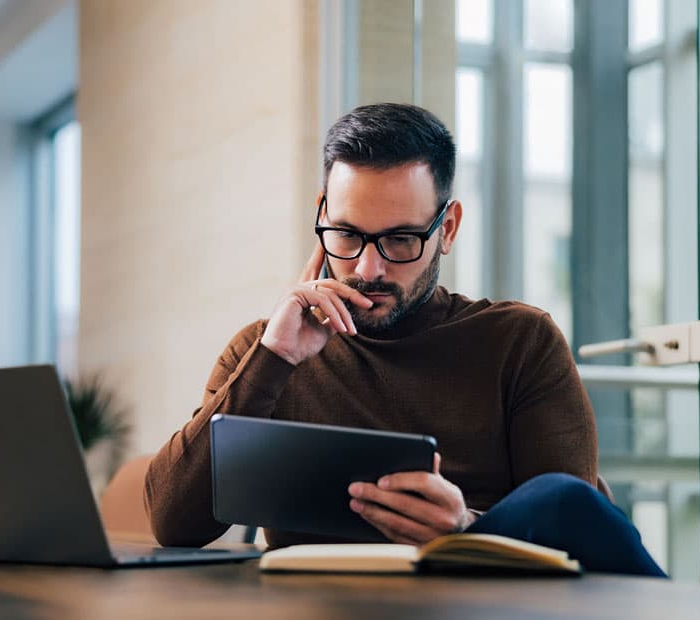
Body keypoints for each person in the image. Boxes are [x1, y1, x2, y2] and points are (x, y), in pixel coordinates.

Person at [143, 103, 665, 577]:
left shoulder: (520, 344)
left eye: (400, 240)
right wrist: (275, 359)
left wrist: (467, 527)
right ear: (321, 215)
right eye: (346, 234)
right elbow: (173, 525)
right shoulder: (265, 349)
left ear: (448, 228)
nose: (368, 268)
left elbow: (574, 532)